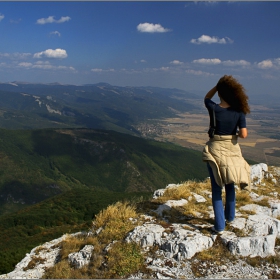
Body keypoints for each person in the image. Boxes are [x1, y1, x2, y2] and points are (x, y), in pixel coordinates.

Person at [202, 75, 251, 234]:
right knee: (230, 184)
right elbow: (243, 135)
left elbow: (206, 97)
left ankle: (219, 226)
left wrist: (217, 86)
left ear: (220, 93)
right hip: (232, 149)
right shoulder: (239, 112)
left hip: (216, 149)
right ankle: (230, 217)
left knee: (217, 188)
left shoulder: (214, 108)